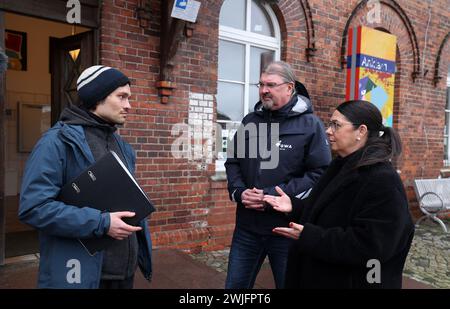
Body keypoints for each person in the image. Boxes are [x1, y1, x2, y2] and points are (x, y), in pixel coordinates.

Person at [19, 65, 153, 289]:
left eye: (128, 98)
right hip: (81, 275)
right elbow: (34, 207)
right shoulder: (56, 143)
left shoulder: (123, 146)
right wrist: (101, 223)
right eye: (121, 97)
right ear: (97, 96)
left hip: (123, 274)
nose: (128, 105)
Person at [264, 100, 415, 288]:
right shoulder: (341, 165)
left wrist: (310, 236)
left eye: (336, 125)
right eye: (330, 124)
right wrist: (294, 206)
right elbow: (329, 211)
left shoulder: (381, 179)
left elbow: (373, 245)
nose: (328, 130)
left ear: (361, 131)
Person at [224, 61, 331, 288]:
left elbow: (320, 173)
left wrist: (271, 196)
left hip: (285, 230)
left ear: (289, 88)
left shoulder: (310, 125)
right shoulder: (250, 121)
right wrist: (240, 192)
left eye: (271, 85)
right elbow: (233, 161)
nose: (264, 90)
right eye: (261, 84)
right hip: (246, 229)